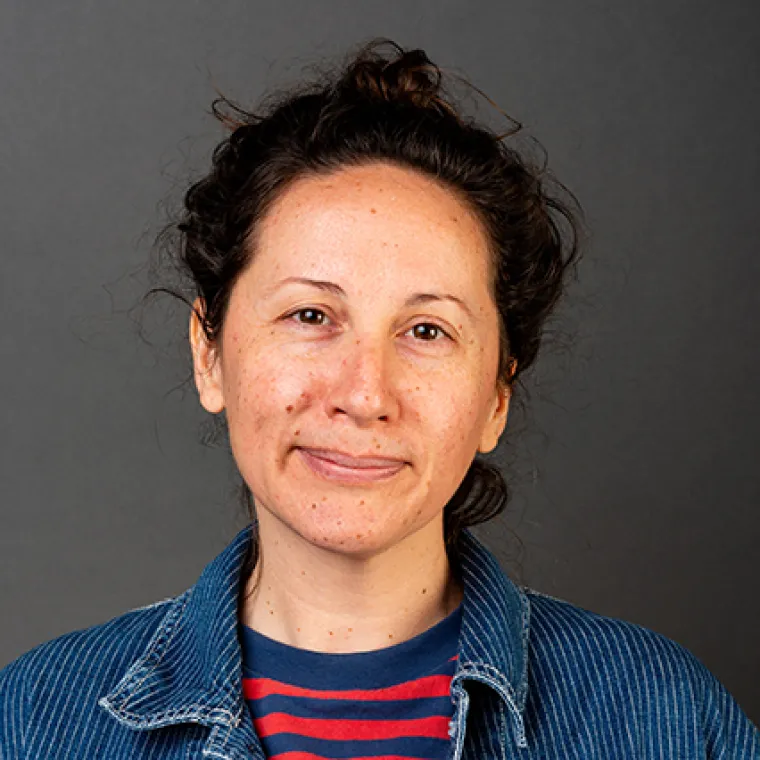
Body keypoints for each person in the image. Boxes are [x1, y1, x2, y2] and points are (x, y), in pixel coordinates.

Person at [1, 39, 758, 760]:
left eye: (427, 330)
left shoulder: (661, 715)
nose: (365, 394)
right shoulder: (37, 720)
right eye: (310, 315)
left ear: (497, 395)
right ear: (209, 353)